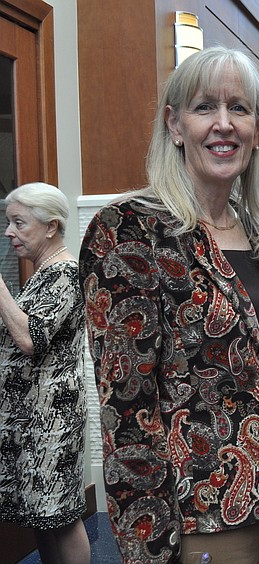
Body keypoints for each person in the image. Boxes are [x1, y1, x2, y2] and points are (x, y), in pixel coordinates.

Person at [78, 47, 259, 563]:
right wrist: (148, 548)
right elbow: (127, 414)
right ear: (175, 124)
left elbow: (257, 368)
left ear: (258, 130)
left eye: (240, 109)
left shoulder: (251, 229)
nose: (224, 125)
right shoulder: (128, 231)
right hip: (201, 511)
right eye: (206, 107)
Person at [0, 182, 90, 564]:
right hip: (31, 416)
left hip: (52, 417)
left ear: (51, 226)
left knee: (61, 515)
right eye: (9, 223)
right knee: (42, 515)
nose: (9, 233)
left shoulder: (65, 272)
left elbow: (30, 338)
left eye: (20, 223)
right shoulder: (42, 272)